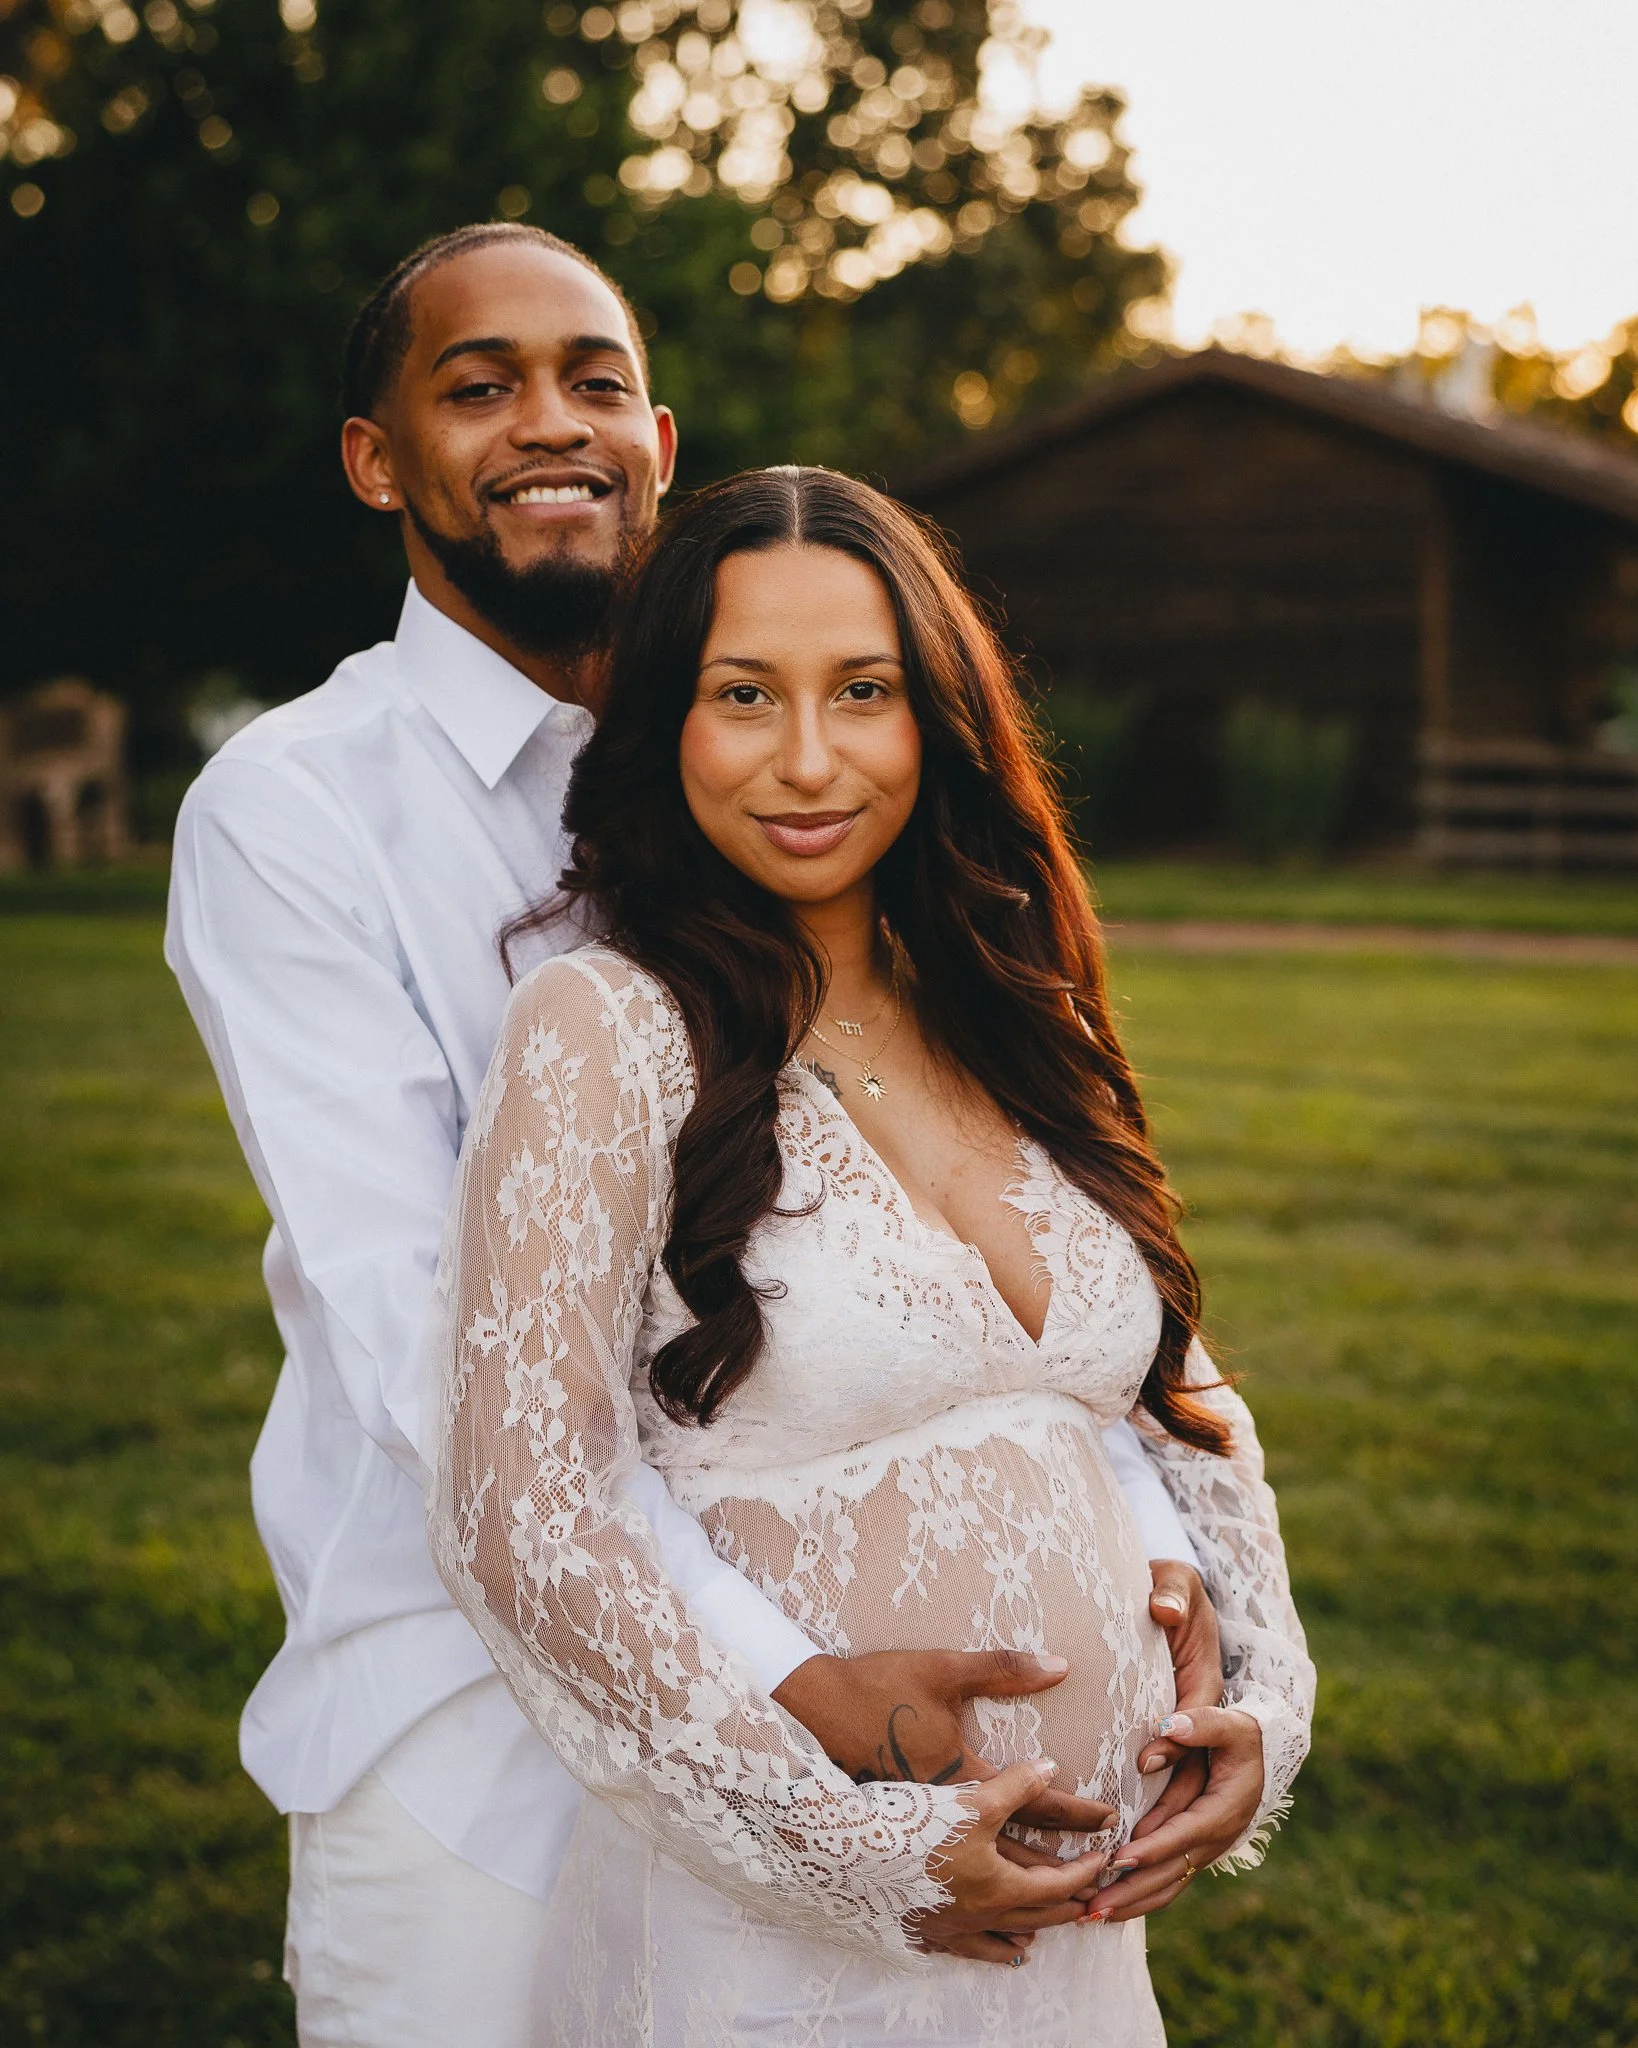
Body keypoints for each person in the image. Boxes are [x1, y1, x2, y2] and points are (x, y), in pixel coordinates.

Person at [165, 224, 1239, 2046]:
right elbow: (440, 1347)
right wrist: (786, 1690)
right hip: (469, 1740)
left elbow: (1027, 1278)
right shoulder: (294, 814)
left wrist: (1171, 1582)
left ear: (659, 444)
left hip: (915, 1777)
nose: (547, 425)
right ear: (375, 459)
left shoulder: (798, 818)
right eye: (477, 385)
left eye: (592, 381)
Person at [426, 464, 1315, 2043]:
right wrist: (851, 1849)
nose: (808, 760)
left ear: (939, 715)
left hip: (1071, 1955)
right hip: (767, 1955)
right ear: (663, 725)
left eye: (864, 692)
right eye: (743, 697)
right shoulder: (608, 1031)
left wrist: (1256, 1701)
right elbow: (522, 1513)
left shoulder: (1005, 1006)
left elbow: (1172, 1390)